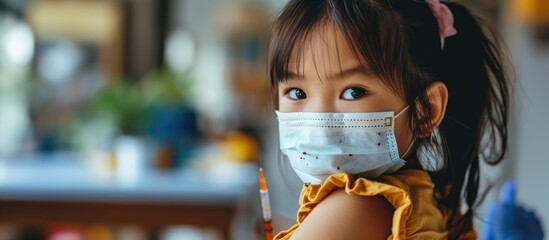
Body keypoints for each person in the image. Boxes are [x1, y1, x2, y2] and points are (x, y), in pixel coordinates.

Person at [267, 0, 511, 239]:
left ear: (426, 110)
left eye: (354, 92)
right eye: (297, 93)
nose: (318, 118)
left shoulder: (356, 206)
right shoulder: (426, 198)